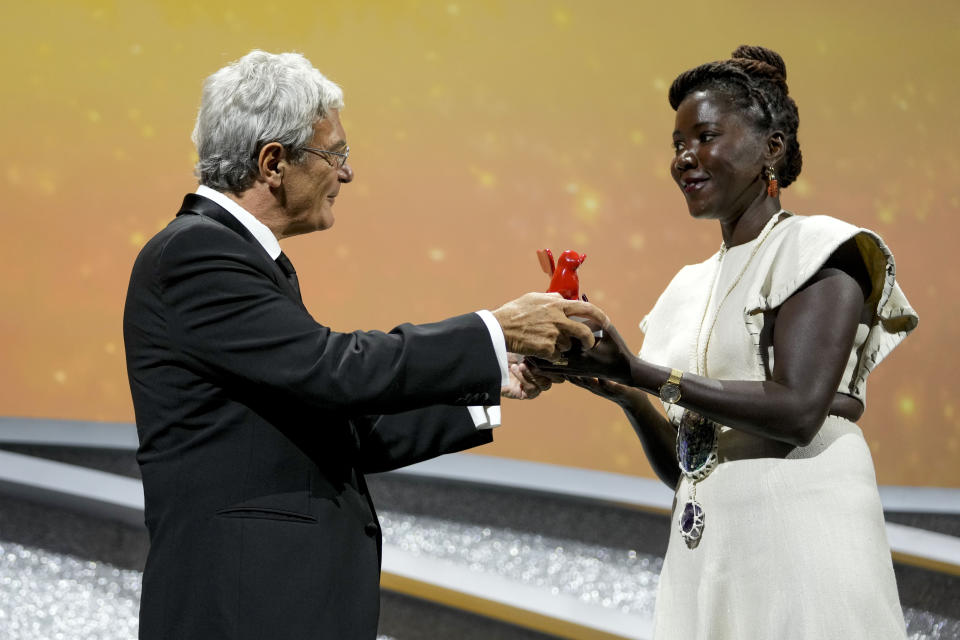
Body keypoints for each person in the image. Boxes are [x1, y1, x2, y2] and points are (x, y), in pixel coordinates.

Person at [122, 50, 602, 640]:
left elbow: (332, 423)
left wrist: (496, 376)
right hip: (241, 608)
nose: (345, 174)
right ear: (274, 162)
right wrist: (494, 330)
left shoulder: (235, 259)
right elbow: (333, 369)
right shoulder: (197, 254)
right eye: (335, 155)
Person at [532, 46, 917, 638]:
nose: (685, 157)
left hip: (803, 542)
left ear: (772, 148)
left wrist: (643, 374)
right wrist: (626, 393)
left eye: (704, 136)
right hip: (708, 557)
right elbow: (695, 462)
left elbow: (797, 412)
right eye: (677, 144)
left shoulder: (821, 250)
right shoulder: (689, 286)